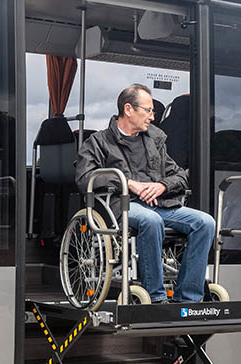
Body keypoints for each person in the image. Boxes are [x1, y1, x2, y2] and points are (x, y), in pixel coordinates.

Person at [75, 84, 215, 303]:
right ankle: (156, 297)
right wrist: (128, 183)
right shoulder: (98, 142)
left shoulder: (155, 139)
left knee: (205, 222)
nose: (152, 116)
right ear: (129, 109)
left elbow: (179, 175)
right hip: (119, 206)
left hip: (160, 204)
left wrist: (163, 186)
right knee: (151, 220)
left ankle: (188, 298)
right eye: (148, 110)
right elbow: (85, 179)